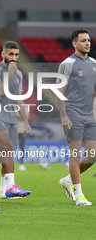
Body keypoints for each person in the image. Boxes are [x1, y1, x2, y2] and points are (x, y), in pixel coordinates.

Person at [0, 41, 31, 199]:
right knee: (3, 151)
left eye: (16, 54)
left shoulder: (19, 73)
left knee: (9, 153)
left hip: (12, 119)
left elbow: (19, 99)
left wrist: (25, 121)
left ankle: (3, 191)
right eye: (10, 54)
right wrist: (9, 74)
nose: (13, 57)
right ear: (2, 54)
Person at [58, 29, 96, 206]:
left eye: (88, 40)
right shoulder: (67, 64)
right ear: (74, 43)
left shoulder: (93, 63)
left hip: (89, 114)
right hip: (73, 113)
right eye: (83, 41)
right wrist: (64, 116)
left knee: (93, 155)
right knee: (75, 155)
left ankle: (67, 180)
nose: (87, 43)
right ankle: (79, 195)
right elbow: (60, 92)